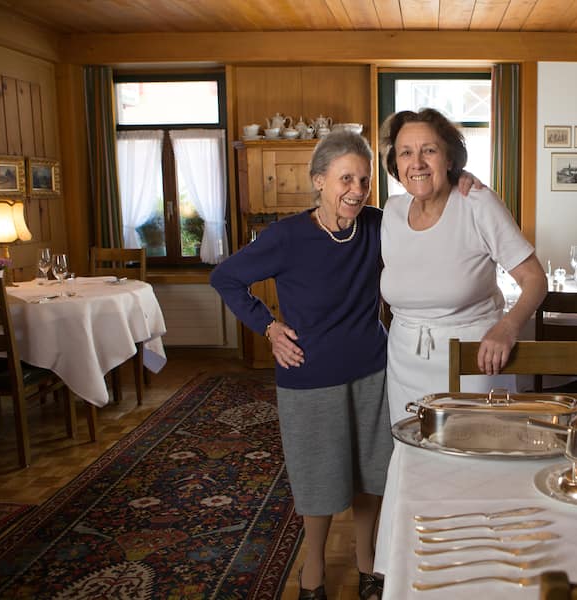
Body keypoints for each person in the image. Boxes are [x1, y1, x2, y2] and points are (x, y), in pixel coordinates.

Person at [210, 131, 389, 600]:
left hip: (373, 369)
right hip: (309, 376)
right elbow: (226, 278)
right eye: (345, 178)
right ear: (318, 181)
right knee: (319, 479)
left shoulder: (376, 224)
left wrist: (465, 181)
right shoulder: (287, 236)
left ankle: (368, 563)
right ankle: (313, 572)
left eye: (364, 180)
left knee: (373, 475)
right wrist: (268, 328)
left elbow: (431, 222)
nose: (356, 189)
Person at [379, 107, 548, 423]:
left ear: (449, 159)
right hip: (404, 364)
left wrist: (508, 327)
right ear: (395, 164)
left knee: (478, 459)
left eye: (429, 150)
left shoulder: (478, 204)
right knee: (414, 460)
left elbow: (535, 279)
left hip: (476, 361)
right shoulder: (391, 211)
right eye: (405, 153)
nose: (416, 162)